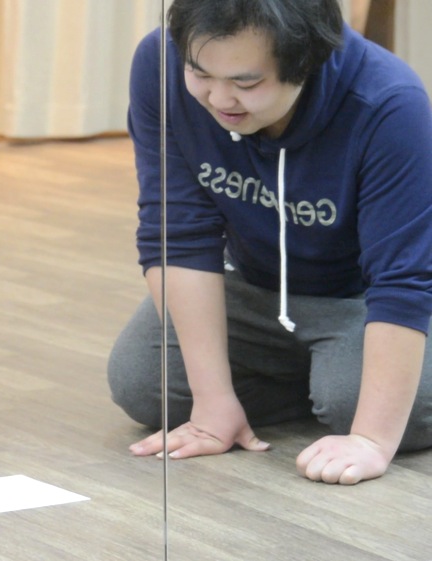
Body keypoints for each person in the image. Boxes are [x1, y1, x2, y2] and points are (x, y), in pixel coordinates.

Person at [108, 0, 432, 485]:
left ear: (307, 59)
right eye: (201, 74)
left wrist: (370, 440)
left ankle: (332, 384)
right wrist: (212, 401)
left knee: (362, 408)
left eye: (246, 83)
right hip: (255, 285)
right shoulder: (162, 63)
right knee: (143, 384)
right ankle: (312, 381)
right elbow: (177, 231)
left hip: (360, 299)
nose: (220, 98)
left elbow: (403, 279)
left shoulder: (389, 103)